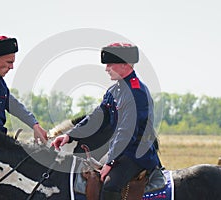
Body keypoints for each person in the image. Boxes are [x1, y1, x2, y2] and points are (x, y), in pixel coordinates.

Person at [52, 42, 161, 199]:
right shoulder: (114, 90)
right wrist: (70, 135)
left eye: (110, 64)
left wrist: (110, 163)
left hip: (135, 153)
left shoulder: (136, 92)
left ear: (125, 64)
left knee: (109, 185)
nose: (106, 68)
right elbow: (96, 117)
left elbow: (126, 133)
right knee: (91, 175)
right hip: (120, 150)